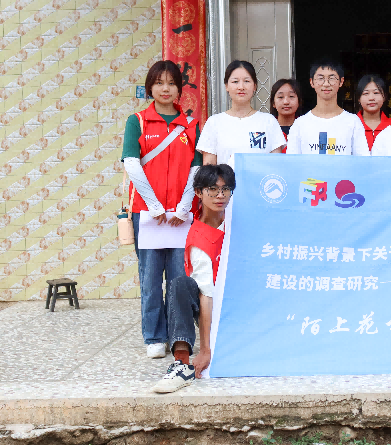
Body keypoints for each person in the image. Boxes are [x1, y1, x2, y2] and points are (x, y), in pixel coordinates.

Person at [122, 60, 202, 359]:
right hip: (147, 214)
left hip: (181, 215)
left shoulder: (191, 125)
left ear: (180, 88)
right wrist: (154, 204)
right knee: (151, 278)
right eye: (159, 83)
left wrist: (184, 205)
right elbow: (132, 163)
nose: (165, 89)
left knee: (180, 279)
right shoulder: (137, 121)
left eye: (171, 83)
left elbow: (196, 167)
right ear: (149, 88)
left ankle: (179, 335)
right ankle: (154, 336)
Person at [153, 164, 235, 393]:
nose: (220, 195)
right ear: (198, 192)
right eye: (213, 189)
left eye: (226, 189)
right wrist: (206, 350)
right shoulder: (199, 238)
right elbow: (207, 295)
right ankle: (182, 363)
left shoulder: (238, 221)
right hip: (214, 307)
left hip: (242, 300)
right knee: (179, 285)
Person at [197, 60, 286, 167]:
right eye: (235, 82)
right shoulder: (214, 122)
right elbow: (209, 169)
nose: (241, 87)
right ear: (226, 86)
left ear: (255, 86)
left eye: (247, 81)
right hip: (226, 178)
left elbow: (276, 165)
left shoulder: (268, 121)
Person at [286, 59, 371, 155]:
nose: (326, 84)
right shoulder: (300, 124)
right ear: (311, 82)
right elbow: (292, 162)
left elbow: (362, 160)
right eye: (320, 78)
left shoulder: (353, 122)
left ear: (341, 81)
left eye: (332, 78)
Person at [356, 74, 391, 151]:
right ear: (359, 98)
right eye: (366, 93)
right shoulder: (350, 124)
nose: (371, 98)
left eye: (376, 93)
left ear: (384, 97)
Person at [270, 78, 302, 142]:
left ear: (299, 102)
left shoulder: (306, 127)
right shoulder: (267, 127)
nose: (286, 102)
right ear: (273, 103)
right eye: (280, 97)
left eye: (291, 96)